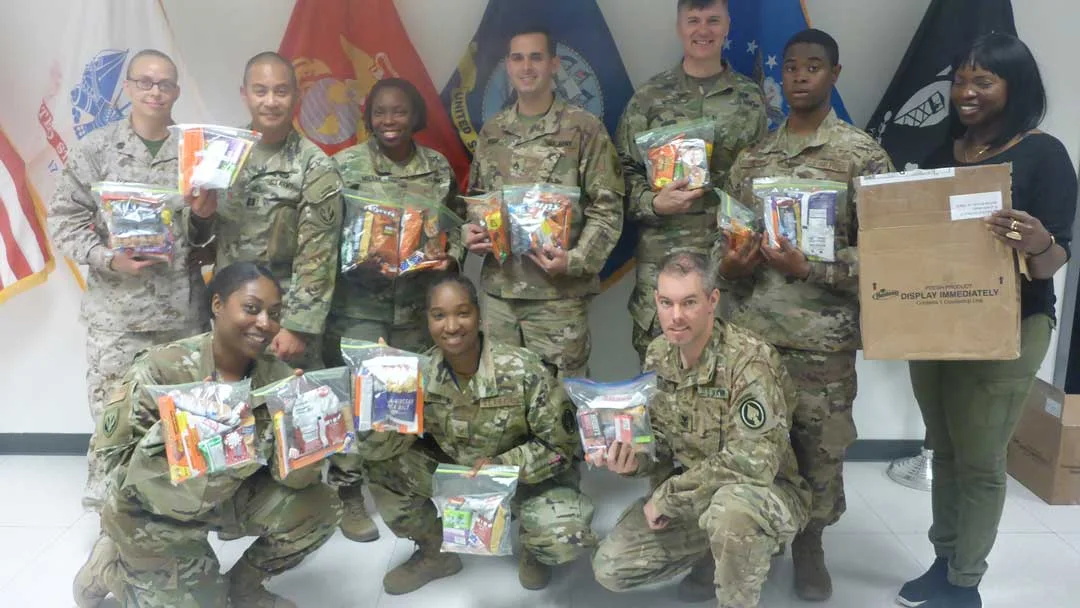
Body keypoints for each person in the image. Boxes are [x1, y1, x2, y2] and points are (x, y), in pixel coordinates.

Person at [897, 33, 1077, 608]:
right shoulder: (943, 149)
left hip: (1010, 326)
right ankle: (943, 559)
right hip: (936, 323)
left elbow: (1055, 260)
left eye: (983, 81)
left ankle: (965, 582)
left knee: (980, 457)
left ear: (1014, 86)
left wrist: (1039, 239)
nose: (965, 92)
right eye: (960, 80)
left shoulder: (1043, 154)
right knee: (944, 448)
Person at [718, 29, 893, 601]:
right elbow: (725, 246)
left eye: (813, 67)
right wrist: (735, 266)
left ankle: (811, 543)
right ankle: (745, 540)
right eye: (791, 67)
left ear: (834, 75)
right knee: (752, 446)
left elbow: (889, 256)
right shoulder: (753, 159)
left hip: (823, 342)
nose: (799, 76)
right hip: (753, 340)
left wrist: (811, 269)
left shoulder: (861, 156)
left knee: (821, 451)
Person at [72, 261, 341, 608]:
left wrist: (309, 441)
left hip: (225, 496)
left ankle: (244, 586)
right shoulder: (162, 367)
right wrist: (187, 433)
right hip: (153, 512)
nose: (265, 323)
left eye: (274, 314)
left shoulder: (279, 378)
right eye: (251, 308)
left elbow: (294, 481)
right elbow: (112, 461)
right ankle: (107, 568)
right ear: (217, 305)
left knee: (320, 507)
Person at [591, 251, 810, 607]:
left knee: (730, 513)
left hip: (765, 493)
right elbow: (659, 438)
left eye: (689, 302)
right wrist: (634, 459)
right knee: (612, 567)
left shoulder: (748, 360)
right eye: (666, 303)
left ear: (712, 301)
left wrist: (668, 496)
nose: (676, 317)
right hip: (697, 492)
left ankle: (742, 570)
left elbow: (754, 462)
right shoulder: (659, 354)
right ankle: (713, 552)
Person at [359, 274, 595, 595]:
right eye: (439, 316)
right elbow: (381, 449)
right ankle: (435, 553)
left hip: (524, 479)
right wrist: (377, 389)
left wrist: (501, 465)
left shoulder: (522, 369)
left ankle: (534, 547)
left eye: (462, 313)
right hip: (465, 478)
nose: (452, 326)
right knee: (382, 467)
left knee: (563, 535)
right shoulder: (418, 374)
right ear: (427, 320)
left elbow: (560, 448)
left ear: (479, 315)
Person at [48, 48, 210, 511]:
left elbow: (214, 236)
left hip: (182, 311)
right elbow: (65, 220)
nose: (155, 92)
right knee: (113, 412)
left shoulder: (195, 152)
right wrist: (107, 258)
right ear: (129, 88)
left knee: (182, 411)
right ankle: (111, 499)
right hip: (117, 313)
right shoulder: (96, 149)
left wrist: (204, 217)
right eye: (145, 82)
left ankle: (184, 503)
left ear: (177, 91)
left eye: (165, 84)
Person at [326, 77, 464, 544]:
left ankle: (409, 490)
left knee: (410, 401)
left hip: (415, 307)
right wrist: (355, 256)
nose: (389, 121)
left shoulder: (436, 167)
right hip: (359, 304)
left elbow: (456, 225)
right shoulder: (343, 166)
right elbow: (322, 233)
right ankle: (347, 493)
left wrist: (451, 256)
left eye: (399, 111)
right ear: (369, 116)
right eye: (380, 112)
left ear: (415, 116)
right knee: (354, 399)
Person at [463, 26, 624, 379]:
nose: (526, 67)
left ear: (553, 64)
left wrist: (576, 260)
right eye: (518, 58)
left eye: (536, 57)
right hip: (500, 297)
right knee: (502, 405)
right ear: (507, 65)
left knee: (560, 402)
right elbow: (477, 200)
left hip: (558, 299)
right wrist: (472, 234)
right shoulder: (492, 131)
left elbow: (608, 208)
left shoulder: (584, 129)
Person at [615, 0, 767, 363]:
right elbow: (619, 174)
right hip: (662, 268)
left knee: (730, 376)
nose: (703, 30)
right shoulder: (649, 98)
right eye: (694, 20)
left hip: (726, 267)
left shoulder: (750, 99)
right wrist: (652, 203)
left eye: (713, 20)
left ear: (728, 25)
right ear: (679, 27)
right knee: (663, 383)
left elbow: (760, 178)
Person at [188, 51, 343, 370]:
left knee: (284, 414)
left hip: (279, 320)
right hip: (227, 317)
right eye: (261, 91)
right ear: (244, 94)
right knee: (228, 412)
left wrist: (298, 326)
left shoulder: (314, 166)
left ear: (296, 96)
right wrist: (200, 217)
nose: (271, 101)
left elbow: (319, 257)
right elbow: (199, 236)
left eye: (281, 91)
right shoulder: (221, 153)